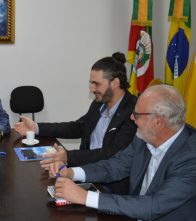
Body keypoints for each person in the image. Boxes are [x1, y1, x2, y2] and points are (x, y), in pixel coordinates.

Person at [51, 85, 196, 221]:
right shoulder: (144, 137)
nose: (132, 119)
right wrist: (72, 172)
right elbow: (116, 166)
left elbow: (153, 205)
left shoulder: (190, 157)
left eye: (137, 115)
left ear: (158, 122)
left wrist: (84, 197)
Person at [14, 52, 136, 194]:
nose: (92, 89)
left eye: (96, 84)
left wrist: (69, 157)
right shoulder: (99, 103)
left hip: (111, 185)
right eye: (91, 83)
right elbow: (77, 127)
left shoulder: (133, 111)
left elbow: (112, 153)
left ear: (115, 83)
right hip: (84, 175)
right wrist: (36, 127)